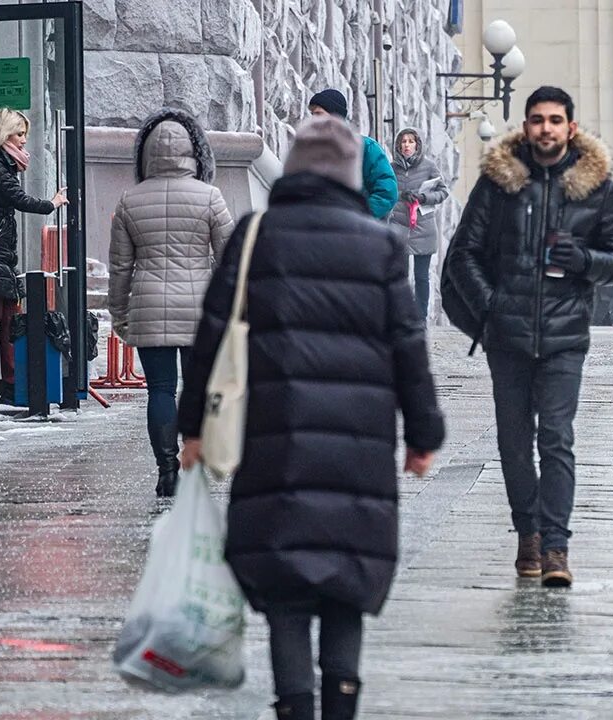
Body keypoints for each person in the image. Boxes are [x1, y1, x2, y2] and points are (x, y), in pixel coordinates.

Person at [176, 116, 445, 720]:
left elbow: (211, 337)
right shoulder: (380, 246)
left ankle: (294, 709)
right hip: (359, 448)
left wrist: (192, 427)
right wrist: (423, 435)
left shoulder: (254, 236)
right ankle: (342, 707)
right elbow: (408, 345)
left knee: (287, 594)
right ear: (352, 175)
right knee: (346, 589)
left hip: (275, 441)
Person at [444, 86, 613, 587]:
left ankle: (555, 547)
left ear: (570, 128)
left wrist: (585, 261)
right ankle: (526, 532)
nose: (545, 128)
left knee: (556, 438)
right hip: (506, 337)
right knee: (513, 442)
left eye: (554, 120)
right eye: (536, 120)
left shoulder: (597, 188)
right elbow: (463, 254)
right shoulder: (499, 183)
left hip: (565, 336)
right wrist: (492, 306)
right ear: (526, 127)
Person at [109, 108, 233, 498]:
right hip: (199, 310)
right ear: (195, 152)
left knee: (159, 389)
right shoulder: (210, 197)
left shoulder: (130, 200)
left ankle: (166, 470)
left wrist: (119, 314)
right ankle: (193, 463)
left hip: (148, 306)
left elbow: (119, 267)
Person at [0, 108, 67, 405]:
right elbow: (18, 199)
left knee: (10, 319)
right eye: (19, 134)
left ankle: (12, 386)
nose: (23, 141)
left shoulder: (2, 163)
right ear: (4, 134)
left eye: (24, 135)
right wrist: (52, 203)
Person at [308, 89, 398, 220]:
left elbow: (387, 192)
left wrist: (359, 216)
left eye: (319, 114)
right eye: (312, 115)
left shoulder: (366, 148)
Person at [389, 127, 449, 319]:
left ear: (418, 144)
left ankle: (421, 317)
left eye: (411, 141)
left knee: (422, 277)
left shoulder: (429, 166)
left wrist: (424, 197)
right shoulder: (392, 168)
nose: (407, 145)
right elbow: (386, 191)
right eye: (403, 141)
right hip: (399, 226)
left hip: (423, 226)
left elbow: (443, 191)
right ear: (398, 145)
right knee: (401, 276)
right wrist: (401, 195)